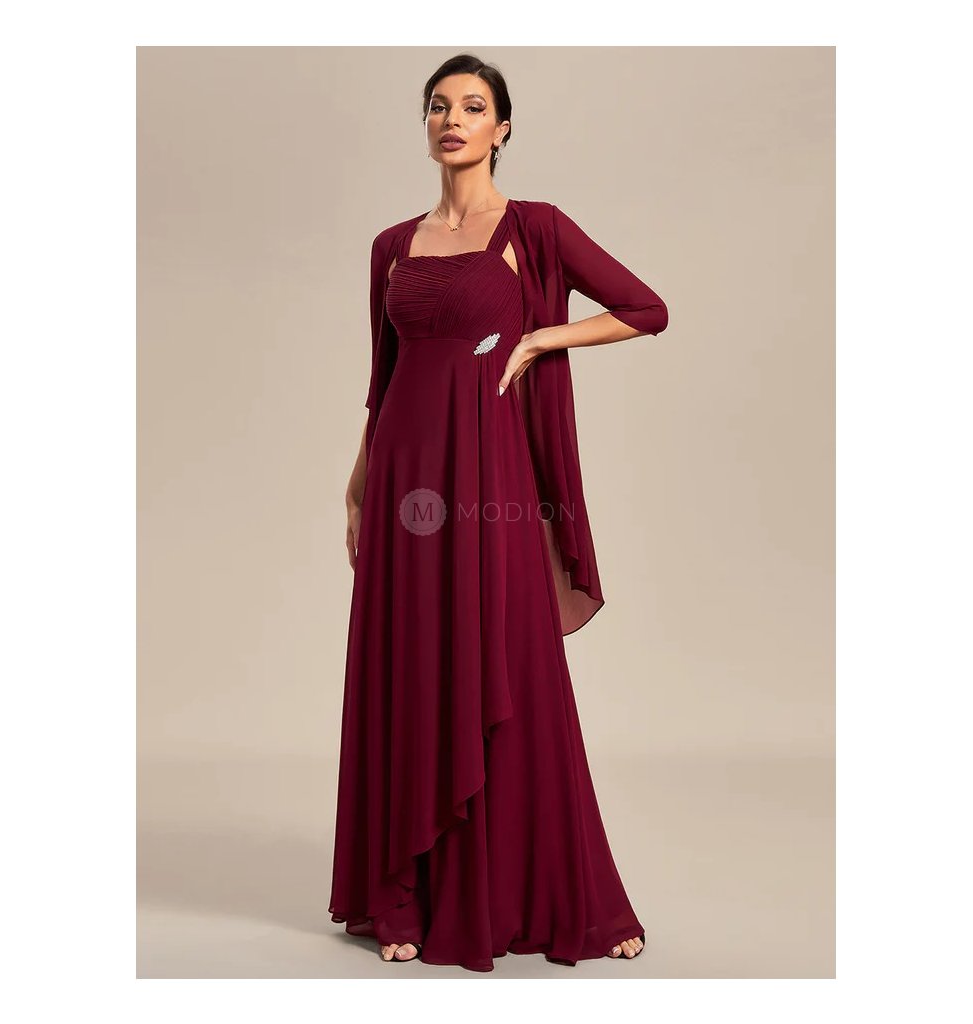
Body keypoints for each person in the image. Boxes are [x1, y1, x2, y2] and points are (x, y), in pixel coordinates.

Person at [328, 54, 669, 973]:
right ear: (427, 125)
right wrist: (359, 481)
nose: (453, 120)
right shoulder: (391, 246)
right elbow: (384, 378)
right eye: (439, 106)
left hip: (491, 479)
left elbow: (645, 309)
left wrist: (543, 335)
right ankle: (402, 895)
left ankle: (560, 894)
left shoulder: (535, 229)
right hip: (403, 482)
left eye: (473, 107)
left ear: (502, 128)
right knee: (411, 666)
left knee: (510, 668)